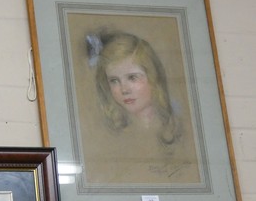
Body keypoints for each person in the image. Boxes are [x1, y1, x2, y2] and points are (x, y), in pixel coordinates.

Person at [83, 29, 200, 184]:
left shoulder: (181, 128)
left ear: (153, 77)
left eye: (132, 78)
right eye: (114, 81)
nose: (124, 89)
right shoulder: (111, 138)